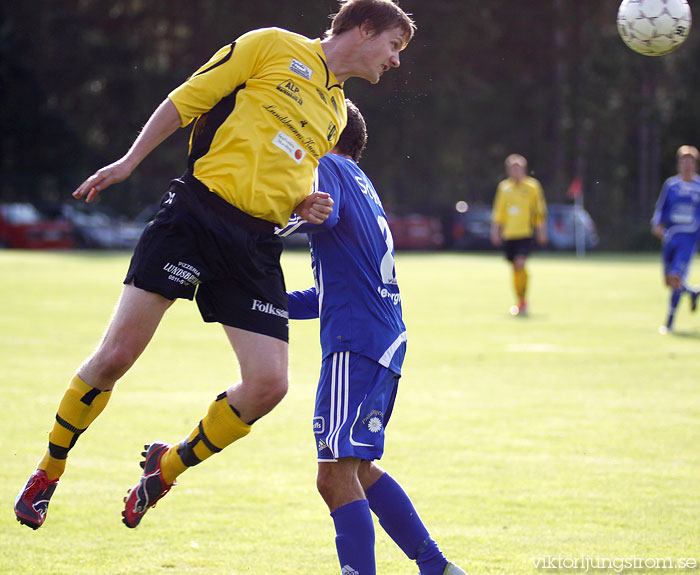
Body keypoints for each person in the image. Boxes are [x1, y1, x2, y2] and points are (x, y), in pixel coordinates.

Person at [14, 0, 416, 531]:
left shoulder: (337, 114)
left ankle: (167, 467)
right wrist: (129, 161)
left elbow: (287, 169)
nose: (395, 60)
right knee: (116, 356)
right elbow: (188, 99)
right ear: (364, 29)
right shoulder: (272, 44)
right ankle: (49, 470)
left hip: (254, 245)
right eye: (393, 45)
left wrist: (302, 203)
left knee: (269, 386)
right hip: (196, 216)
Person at [278, 101, 465, 575]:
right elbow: (330, 293)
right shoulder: (363, 181)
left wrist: (264, 222)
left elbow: (323, 213)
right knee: (358, 469)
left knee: (333, 475)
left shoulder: (329, 167)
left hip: (356, 343)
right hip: (381, 338)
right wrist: (264, 303)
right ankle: (436, 567)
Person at [490, 153, 548, 316]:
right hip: (509, 233)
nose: (515, 171)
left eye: (518, 168)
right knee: (515, 268)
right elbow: (499, 211)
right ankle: (520, 299)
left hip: (525, 232)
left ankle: (522, 301)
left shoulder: (532, 187)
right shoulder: (504, 187)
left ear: (524, 169)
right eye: (512, 168)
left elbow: (539, 210)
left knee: (520, 263)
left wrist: (541, 231)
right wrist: (496, 231)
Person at [651, 145, 700, 333]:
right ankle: (692, 291)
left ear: (695, 164)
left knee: (676, 276)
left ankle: (669, 322)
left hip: (688, 239)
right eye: (683, 160)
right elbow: (661, 208)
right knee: (669, 280)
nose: (687, 164)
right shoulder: (671, 185)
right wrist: (656, 223)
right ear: (678, 163)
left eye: (690, 161)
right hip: (670, 237)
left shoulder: (699, 187)